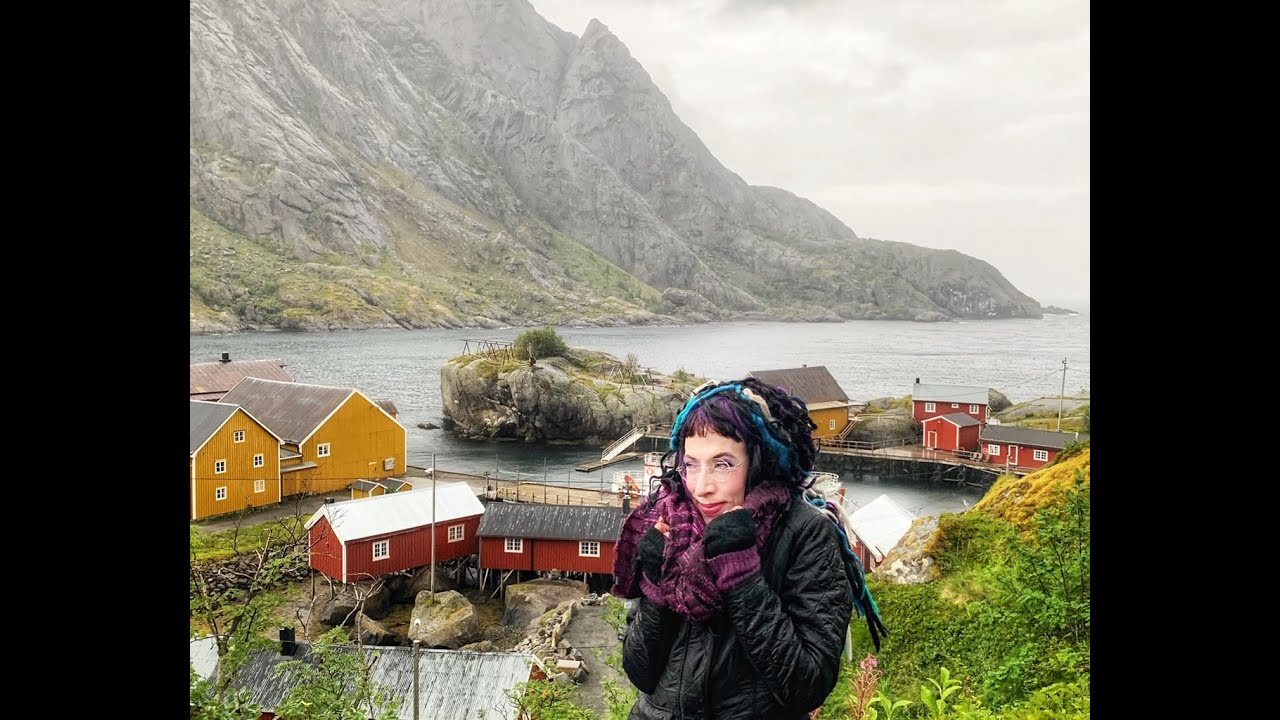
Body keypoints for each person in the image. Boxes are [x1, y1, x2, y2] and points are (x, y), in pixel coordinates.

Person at [612, 378, 887, 720]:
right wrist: (656, 587)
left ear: (759, 460)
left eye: (723, 464)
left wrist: (743, 578)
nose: (701, 487)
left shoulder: (806, 533)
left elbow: (808, 686)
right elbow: (641, 673)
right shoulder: (670, 527)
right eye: (691, 464)